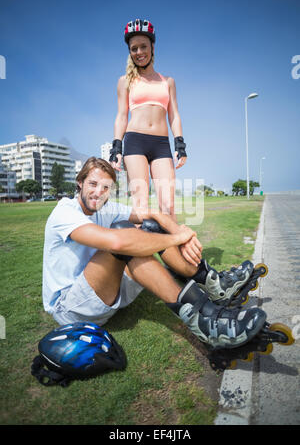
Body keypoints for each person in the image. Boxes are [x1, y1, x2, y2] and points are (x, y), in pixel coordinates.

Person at [42, 157, 267, 350]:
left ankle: (213, 284)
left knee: (149, 227)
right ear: (79, 183)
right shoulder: (64, 212)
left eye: (106, 187)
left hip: (103, 294)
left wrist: (181, 232)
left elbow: (154, 214)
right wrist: (176, 238)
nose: (99, 192)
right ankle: (203, 321)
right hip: (71, 310)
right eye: (93, 184)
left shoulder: (105, 206)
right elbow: (117, 242)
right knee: (125, 237)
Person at [109, 19, 187, 220]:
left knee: (168, 205)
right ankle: (141, 251)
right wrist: (116, 148)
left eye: (143, 46)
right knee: (140, 204)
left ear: (152, 47)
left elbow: (174, 115)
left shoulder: (168, 82)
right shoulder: (124, 81)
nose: (139, 52)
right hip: (135, 143)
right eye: (133, 48)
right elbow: (121, 116)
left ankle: (173, 249)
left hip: (161, 145)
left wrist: (180, 144)